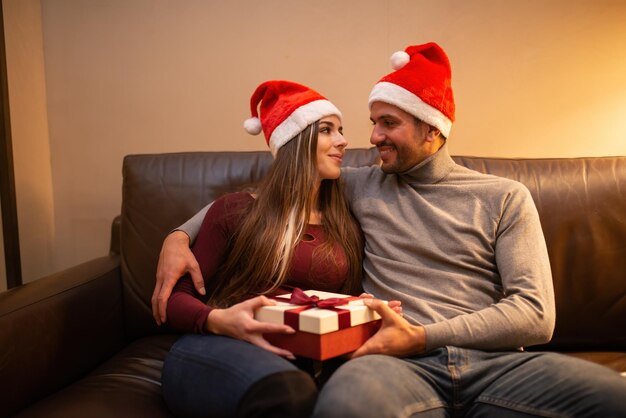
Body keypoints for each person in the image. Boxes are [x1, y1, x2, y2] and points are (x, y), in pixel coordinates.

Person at [156, 44, 626, 417]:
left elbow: (535, 315)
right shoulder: (357, 184)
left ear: (432, 130)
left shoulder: (505, 197)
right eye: (371, 123)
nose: (371, 137)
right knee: (345, 407)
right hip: (393, 367)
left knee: (611, 398)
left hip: (498, 365)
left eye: (389, 123)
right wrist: (177, 236)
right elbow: (268, 199)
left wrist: (422, 336)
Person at [160, 80, 381, 418]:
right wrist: (219, 320)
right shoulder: (237, 210)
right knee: (288, 394)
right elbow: (172, 302)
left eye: (341, 130)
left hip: (304, 359)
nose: (343, 140)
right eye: (327, 130)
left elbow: (339, 306)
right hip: (220, 347)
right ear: (294, 143)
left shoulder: (345, 222)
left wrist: (359, 311)